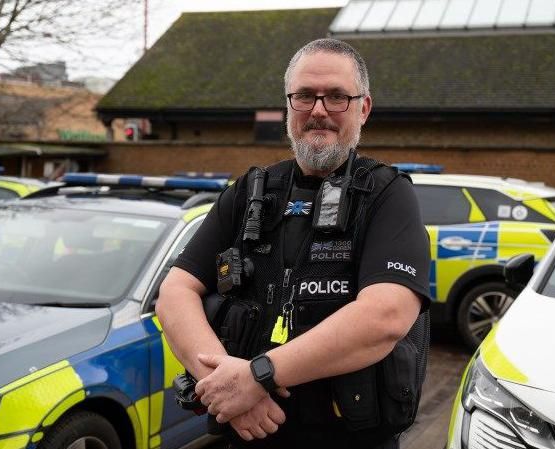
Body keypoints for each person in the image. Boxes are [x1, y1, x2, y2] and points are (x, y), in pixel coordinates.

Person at [156, 38, 430, 449]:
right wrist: (227, 386)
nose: (319, 110)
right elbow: (175, 292)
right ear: (289, 107)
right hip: (249, 433)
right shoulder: (250, 191)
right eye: (305, 96)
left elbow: (386, 315)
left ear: (363, 108)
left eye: (337, 97)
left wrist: (259, 375)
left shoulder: (387, 194)